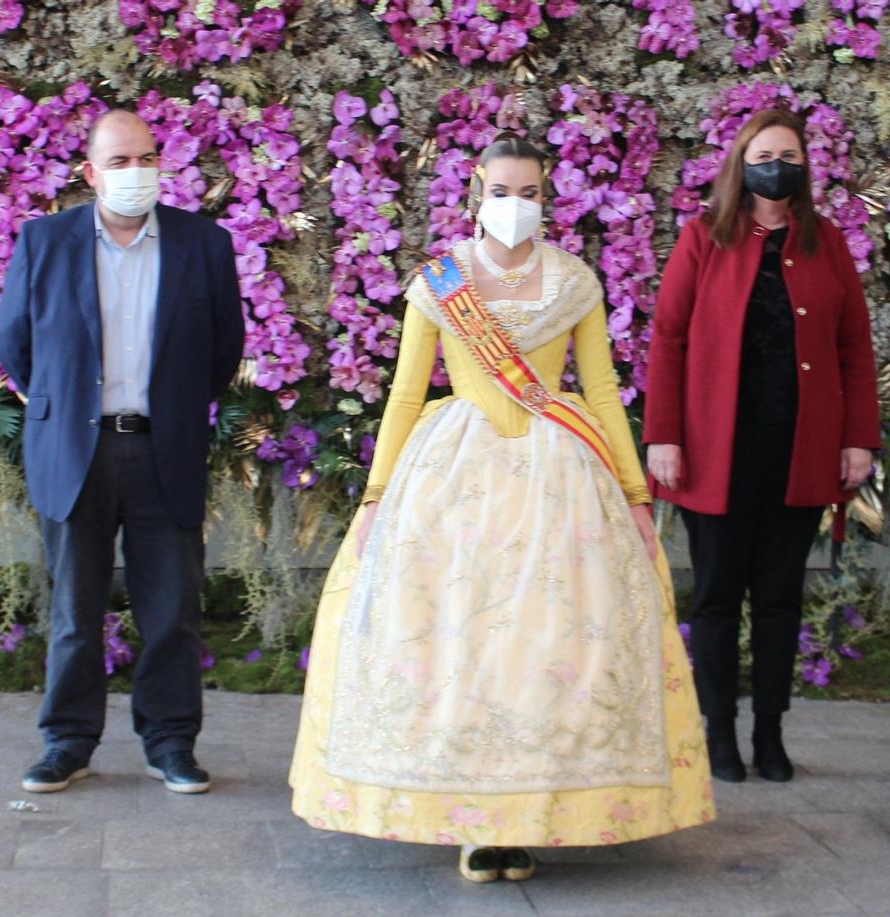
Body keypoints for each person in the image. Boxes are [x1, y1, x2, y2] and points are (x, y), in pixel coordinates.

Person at [289, 137, 716, 883]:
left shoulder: (575, 281)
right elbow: (406, 394)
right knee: (461, 645)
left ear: (546, 196)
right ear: (476, 193)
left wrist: (635, 491)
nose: (514, 205)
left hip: (562, 477)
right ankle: (470, 820)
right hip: (453, 479)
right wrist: (379, 494)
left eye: (529, 191)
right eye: (500, 190)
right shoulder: (440, 284)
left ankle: (531, 813)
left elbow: (605, 390)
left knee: (547, 646)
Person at [0, 109, 244, 797]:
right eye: (120, 161)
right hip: (76, 447)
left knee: (171, 609)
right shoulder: (44, 243)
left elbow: (224, 350)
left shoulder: (204, 245)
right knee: (76, 610)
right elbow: (16, 347)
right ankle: (67, 742)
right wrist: (68, 403)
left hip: (165, 446)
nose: (137, 173)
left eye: (148, 158)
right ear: (90, 172)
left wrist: (175, 407)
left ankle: (170, 742)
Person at [642, 110, 879, 784]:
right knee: (716, 597)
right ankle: (719, 735)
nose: (778, 163)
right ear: (742, 163)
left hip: (797, 448)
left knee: (779, 599)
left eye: (790, 153)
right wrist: (663, 433)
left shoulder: (825, 241)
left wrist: (858, 438)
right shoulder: (702, 238)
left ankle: (770, 732)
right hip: (715, 451)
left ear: (805, 167)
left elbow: (853, 346)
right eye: (765, 152)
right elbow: (668, 338)